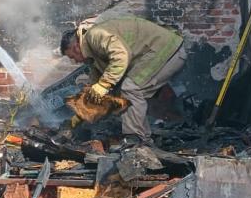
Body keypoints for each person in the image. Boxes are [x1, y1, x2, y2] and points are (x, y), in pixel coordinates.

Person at [60, 16, 186, 145]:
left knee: (130, 88)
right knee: (123, 90)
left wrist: (104, 84)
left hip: (165, 50)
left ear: (76, 47)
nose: (75, 61)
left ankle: (136, 140)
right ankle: (142, 141)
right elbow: (94, 95)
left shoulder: (95, 35)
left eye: (72, 56)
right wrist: (76, 119)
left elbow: (121, 56)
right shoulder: (94, 57)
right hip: (160, 53)